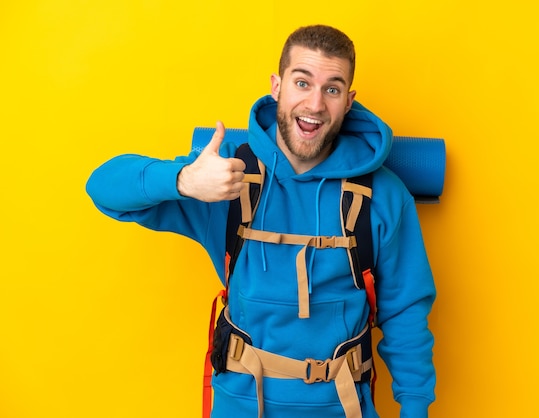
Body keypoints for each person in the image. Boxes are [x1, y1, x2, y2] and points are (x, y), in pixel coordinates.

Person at [87, 25, 436, 418]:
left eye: (332, 89)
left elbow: (405, 313)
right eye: (302, 83)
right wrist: (184, 181)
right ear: (277, 86)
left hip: (343, 407)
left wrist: (415, 408)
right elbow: (102, 187)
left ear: (349, 101)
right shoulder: (225, 178)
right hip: (240, 404)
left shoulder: (382, 195)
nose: (316, 104)